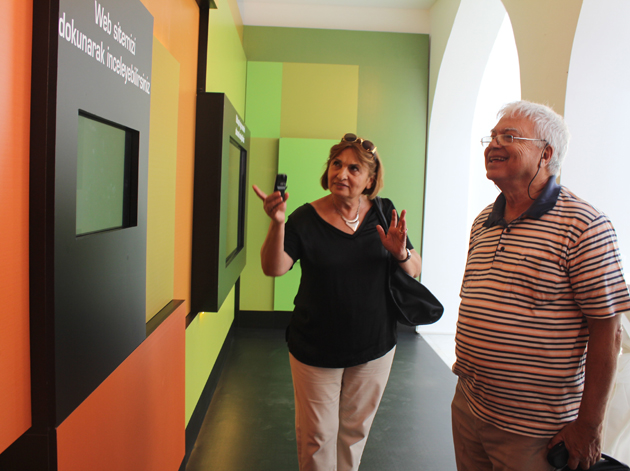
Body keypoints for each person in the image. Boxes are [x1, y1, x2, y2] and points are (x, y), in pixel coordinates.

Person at [451, 100, 630, 471]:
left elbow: (608, 332)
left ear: (546, 154)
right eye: (492, 136)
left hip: (536, 431)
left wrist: (589, 426)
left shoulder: (585, 226)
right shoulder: (483, 221)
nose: (494, 144)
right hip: (469, 407)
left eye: (509, 136)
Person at [252, 133, 421, 471]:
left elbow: (414, 269)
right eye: (336, 164)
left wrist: (400, 252)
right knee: (317, 437)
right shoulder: (304, 218)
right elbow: (274, 268)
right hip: (316, 348)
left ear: (370, 180)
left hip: (374, 346)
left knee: (354, 433)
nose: (341, 173)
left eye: (354, 168)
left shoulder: (384, 212)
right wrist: (277, 224)